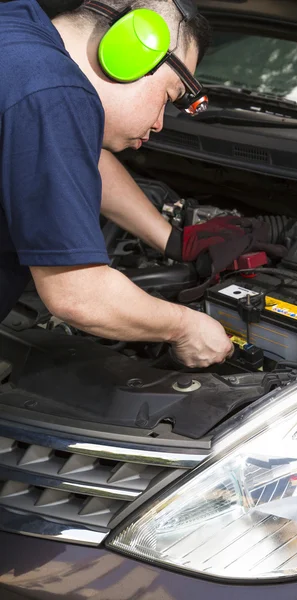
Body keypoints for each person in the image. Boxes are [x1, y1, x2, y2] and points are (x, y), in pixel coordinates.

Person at [0, 0, 236, 367]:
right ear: (130, 53)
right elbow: (78, 294)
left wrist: (171, 239)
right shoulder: (54, 91)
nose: (159, 123)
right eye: (169, 97)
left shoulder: (18, 33)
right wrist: (185, 327)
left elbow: (72, 155)